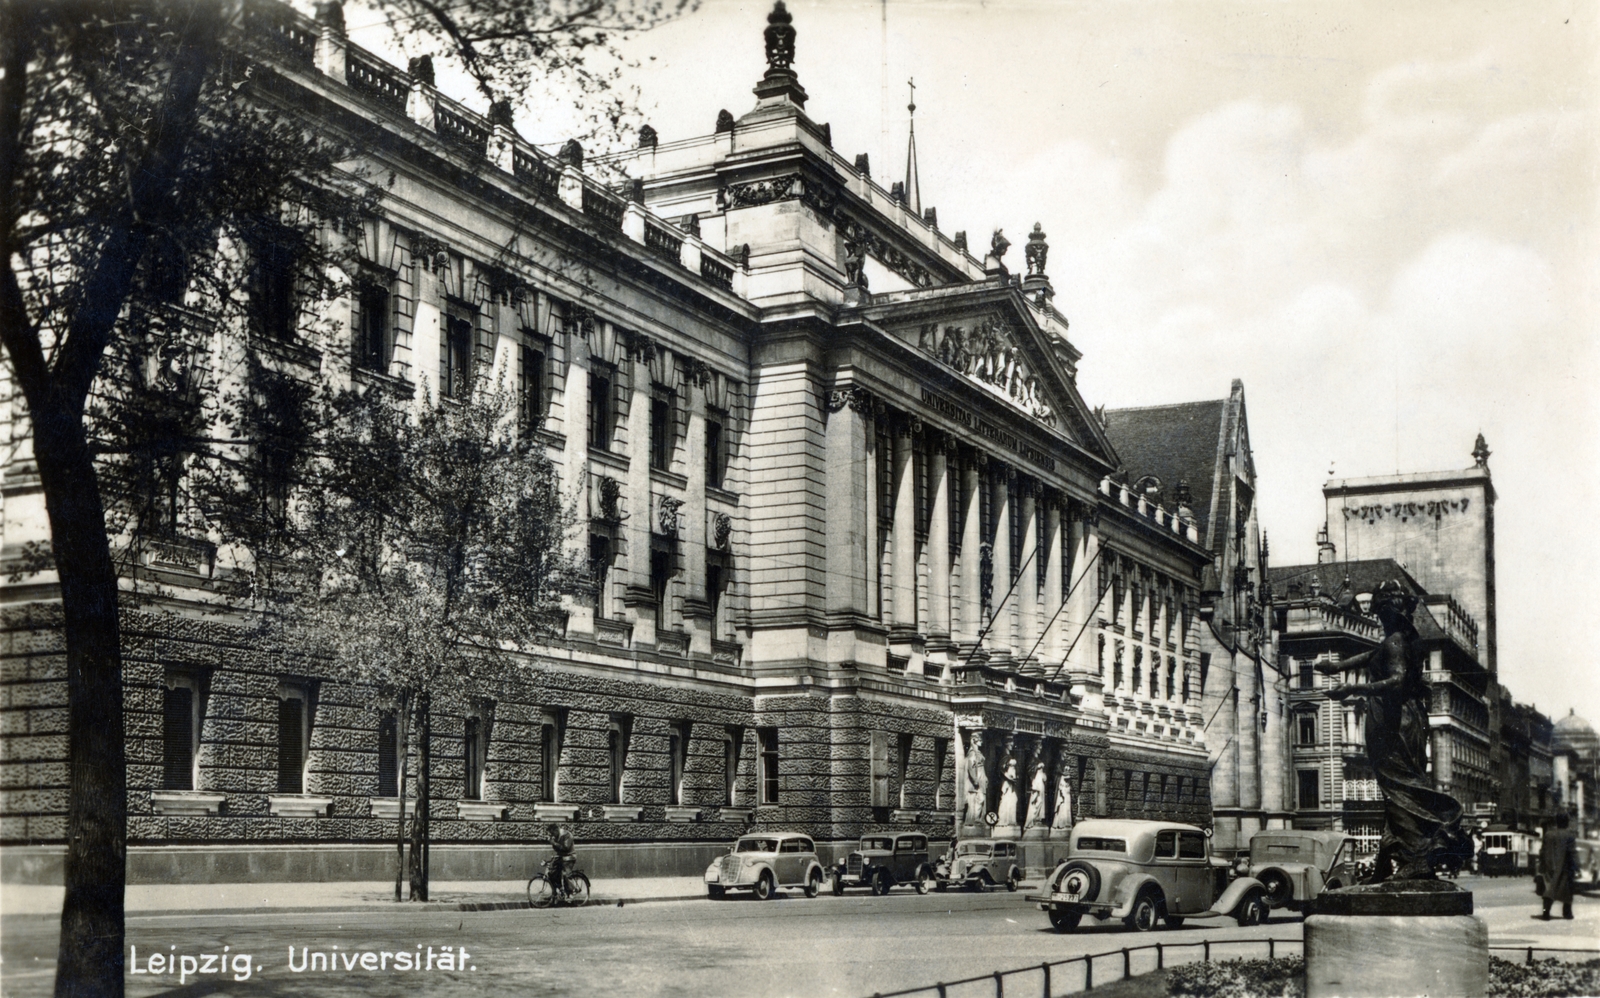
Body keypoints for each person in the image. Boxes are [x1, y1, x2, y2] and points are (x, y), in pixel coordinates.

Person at [1323, 581, 1471, 881]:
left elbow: (1397, 679)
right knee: (1396, 790)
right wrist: (1338, 667)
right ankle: (1390, 862)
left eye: (1378, 612)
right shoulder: (1397, 639)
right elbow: (1370, 656)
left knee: (1399, 789)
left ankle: (1417, 854)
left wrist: (1353, 686)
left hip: (1396, 722)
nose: (1376, 617)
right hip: (1404, 719)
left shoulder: (1394, 642)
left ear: (1387, 612)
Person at [1538, 813, 1579, 920]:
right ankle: (1567, 913)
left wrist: (1542, 865)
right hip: (1564, 868)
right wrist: (1577, 866)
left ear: (1557, 822)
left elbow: (1542, 851)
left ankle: (1545, 913)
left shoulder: (1548, 834)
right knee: (1567, 892)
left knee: (1549, 890)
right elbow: (1572, 852)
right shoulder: (1569, 835)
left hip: (1549, 867)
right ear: (1566, 823)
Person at [549, 823, 577, 895]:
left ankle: (572, 891)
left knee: (565, 874)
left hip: (569, 857)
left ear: (556, 830)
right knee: (552, 873)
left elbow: (565, 848)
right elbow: (557, 849)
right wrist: (553, 843)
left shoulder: (566, 834)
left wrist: (554, 843)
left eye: (552, 833)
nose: (552, 835)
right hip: (562, 857)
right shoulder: (556, 836)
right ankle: (558, 890)